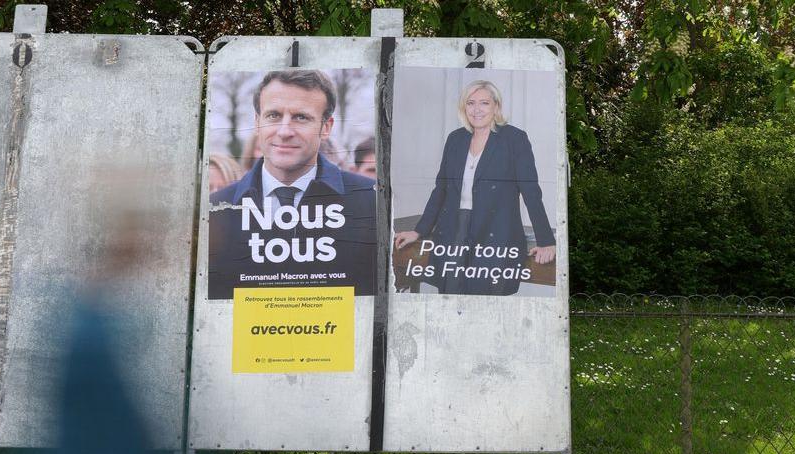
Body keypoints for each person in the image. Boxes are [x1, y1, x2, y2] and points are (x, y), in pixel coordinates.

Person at [208, 69, 377, 300]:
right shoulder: (217, 210)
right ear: (257, 123)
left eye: (301, 117)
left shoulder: (370, 203)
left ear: (326, 127)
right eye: (273, 116)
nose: (285, 131)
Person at [393, 80, 555, 295]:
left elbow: (531, 192)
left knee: (487, 299)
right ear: (464, 107)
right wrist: (419, 231)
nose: (477, 109)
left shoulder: (514, 139)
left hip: (495, 231)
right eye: (471, 103)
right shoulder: (455, 139)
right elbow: (441, 189)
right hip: (454, 231)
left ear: (496, 106)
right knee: (451, 296)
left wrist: (546, 241)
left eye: (484, 103)